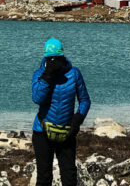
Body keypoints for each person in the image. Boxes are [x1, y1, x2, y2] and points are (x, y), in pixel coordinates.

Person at [31, 38, 91, 186]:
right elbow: (37, 98)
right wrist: (48, 76)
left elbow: (85, 100)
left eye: (56, 58)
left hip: (67, 131)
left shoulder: (74, 73)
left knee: (69, 177)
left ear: (62, 56)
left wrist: (77, 121)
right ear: (45, 57)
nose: (53, 61)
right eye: (50, 58)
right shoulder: (39, 74)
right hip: (41, 131)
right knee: (44, 177)